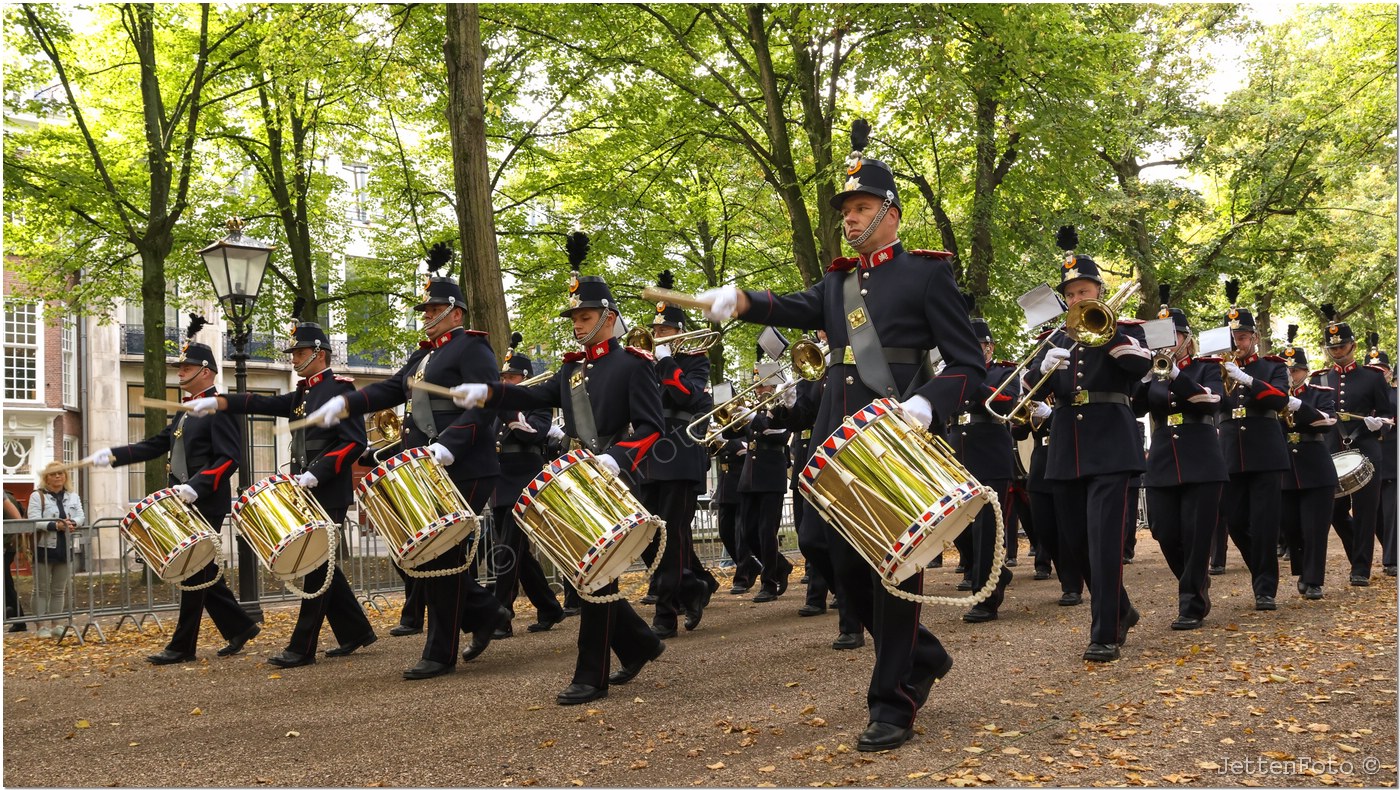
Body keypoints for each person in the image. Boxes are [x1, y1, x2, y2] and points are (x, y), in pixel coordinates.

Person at [695, 120, 985, 752]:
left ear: (891, 213)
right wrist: (739, 300)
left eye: (860, 208)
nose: (850, 220)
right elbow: (791, 306)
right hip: (832, 443)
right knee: (831, 557)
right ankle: (924, 655)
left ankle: (892, 702)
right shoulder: (838, 284)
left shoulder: (927, 275)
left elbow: (970, 366)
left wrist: (927, 407)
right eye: (846, 211)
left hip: (897, 438)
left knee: (895, 567)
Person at [451, 231, 666, 706]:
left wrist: (617, 458)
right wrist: (486, 392)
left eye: (585, 316)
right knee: (587, 571)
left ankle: (592, 674)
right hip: (578, 478)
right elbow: (528, 395)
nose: (577, 324)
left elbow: (652, 427)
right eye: (574, 317)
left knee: (592, 572)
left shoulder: (634, 364)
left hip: (615, 475)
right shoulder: (571, 370)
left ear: (608, 317)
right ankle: (640, 643)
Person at [306, 242, 508, 680]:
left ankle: (441, 651)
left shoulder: (471, 348)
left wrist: (450, 444)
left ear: (456, 312)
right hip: (429, 468)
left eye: (435, 307)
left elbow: (485, 406)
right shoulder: (423, 356)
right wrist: (343, 404)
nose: (426, 314)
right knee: (430, 554)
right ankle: (487, 612)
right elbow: (389, 390)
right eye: (424, 308)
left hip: (466, 465)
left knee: (444, 554)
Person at [189, 311, 376, 667]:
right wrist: (221, 401)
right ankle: (355, 631)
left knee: (314, 567)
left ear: (318, 353)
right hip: (307, 491)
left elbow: (352, 442)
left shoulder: (340, 391)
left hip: (327, 490)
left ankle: (301, 647)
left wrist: (318, 473)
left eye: (298, 351)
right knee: (322, 566)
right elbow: (261, 403)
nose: (292, 357)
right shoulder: (302, 395)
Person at [87, 316, 261, 664]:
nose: (180, 372)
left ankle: (183, 646)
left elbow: (230, 459)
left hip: (203, 502)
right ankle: (239, 626)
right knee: (200, 573)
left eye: (187, 367)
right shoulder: (186, 412)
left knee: (192, 571)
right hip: (183, 503)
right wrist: (113, 455)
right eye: (179, 367)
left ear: (207, 371)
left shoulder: (218, 408)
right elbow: (156, 445)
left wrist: (196, 487)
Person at [1033, 226, 1150, 662]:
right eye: (1072, 294)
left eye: (1085, 290)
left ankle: (1104, 633)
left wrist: (1109, 334)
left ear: (1099, 290)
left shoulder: (1125, 329)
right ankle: (1120, 608)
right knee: (1075, 545)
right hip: (1066, 446)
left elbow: (1143, 368)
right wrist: (1041, 368)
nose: (1079, 298)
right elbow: (1021, 390)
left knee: (1103, 541)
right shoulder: (1056, 339)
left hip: (1110, 443)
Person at [1132, 295, 1225, 630]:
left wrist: (1176, 375)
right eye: (1162, 338)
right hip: (1162, 458)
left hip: (1201, 455)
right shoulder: (1153, 373)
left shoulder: (1207, 367)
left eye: (1175, 336)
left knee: (1197, 533)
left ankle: (1192, 602)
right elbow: (1133, 408)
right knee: (1164, 530)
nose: (1169, 344)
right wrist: (1144, 379)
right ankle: (1195, 579)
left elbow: (1211, 403)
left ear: (1187, 338)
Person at [637, 273, 714, 635]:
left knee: (674, 536)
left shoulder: (696, 360)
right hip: (647, 456)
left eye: (665, 331)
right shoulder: (643, 362)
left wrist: (667, 361)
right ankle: (693, 585)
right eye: (656, 331)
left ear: (679, 332)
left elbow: (688, 396)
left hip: (681, 455)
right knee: (646, 535)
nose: (658, 336)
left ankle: (666, 612)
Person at [1215, 281, 1291, 612]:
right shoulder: (1215, 369)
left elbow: (1281, 400)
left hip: (1265, 451)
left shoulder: (1272, 366)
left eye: (1243, 337)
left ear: (1254, 337)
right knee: (1234, 522)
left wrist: (1248, 380)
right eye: (1233, 338)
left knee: (1263, 522)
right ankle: (1259, 570)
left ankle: (1265, 588)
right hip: (1232, 453)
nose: (1238, 343)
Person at [489, 332, 566, 636]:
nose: (506, 380)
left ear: (525, 377)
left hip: (524, 479)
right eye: (503, 376)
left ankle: (500, 615)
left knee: (508, 548)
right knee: (519, 556)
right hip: (499, 482)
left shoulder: (538, 402)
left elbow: (533, 433)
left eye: (512, 376)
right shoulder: (499, 404)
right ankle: (549, 606)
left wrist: (509, 410)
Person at [1312, 306, 1395, 586]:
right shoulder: (1319, 379)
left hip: (1367, 450)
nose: (1338, 352)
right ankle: (1355, 554)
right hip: (1331, 449)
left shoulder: (1372, 377)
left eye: (1343, 346)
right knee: (1334, 510)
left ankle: (1360, 568)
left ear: (1353, 346)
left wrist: (1379, 423)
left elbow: (1388, 416)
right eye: (1333, 348)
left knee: (1365, 511)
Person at [946, 306, 1017, 623]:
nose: (977, 350)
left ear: (990, 347)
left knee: (987, 531)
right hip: (957, 453)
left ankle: (986, 599)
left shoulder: (1003, 373)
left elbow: (1005, 402)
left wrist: (971, 381)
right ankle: (994, 574)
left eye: (981, 345)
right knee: (957, 527)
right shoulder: (953, 374)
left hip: (989, 453)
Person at [1276, 326, 1339, 599]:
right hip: (1286, 467)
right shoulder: (1274, 396)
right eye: (1287, 371)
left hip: (1315, 463)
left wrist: (1299, 406)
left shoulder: (1319, 392)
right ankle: (1302, 570)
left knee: (1315, 527)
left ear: (1305, 371)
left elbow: (1327, 421)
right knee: (1291, 526)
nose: (1291, 375)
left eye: (1296, 370)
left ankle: (1314, 579)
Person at [737, 358, 794, 604]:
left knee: (766, 532)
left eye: (764, 385)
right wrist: (735, 418)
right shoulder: (754, 409)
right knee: (747, 532)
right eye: (757, 384)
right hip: (750, 476)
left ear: (774, 386)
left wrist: (753, 421)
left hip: (771, 475)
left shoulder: (784, 407)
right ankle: (780, 565)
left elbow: (780, 435)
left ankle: (768, 582)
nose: (759, 389)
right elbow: (732, 432)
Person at [26, 462, 85, 638]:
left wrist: (73, 523)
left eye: (60, 473)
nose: (57, 477)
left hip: (65, 546)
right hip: (44, 547)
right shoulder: (37, 496)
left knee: (59, 589)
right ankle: (40, 626)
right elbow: (34, 520)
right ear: (46, 477)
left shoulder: (73, 496)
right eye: (53, 474)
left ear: (65, 476)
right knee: (41, 589)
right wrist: (54, 525)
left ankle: (56, 624)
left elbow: (80, 516)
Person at [4, 489, 26, 631]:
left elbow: (15, 518)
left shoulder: (7, 497)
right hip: (8, 543)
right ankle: (17, 616)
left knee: (5, 581)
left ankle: (17, 617)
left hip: (6, 544)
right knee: (6, 581)